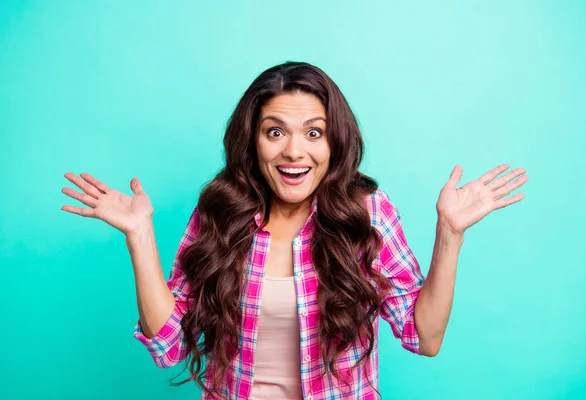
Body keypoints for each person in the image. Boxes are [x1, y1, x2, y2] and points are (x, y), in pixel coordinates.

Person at [61, 61, 528, 400]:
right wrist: (139, 235)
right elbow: (168, 344)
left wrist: (450, 233)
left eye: (313, 132)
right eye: (275, 132)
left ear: (334, 142)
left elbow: (424, 337)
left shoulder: (366, 213)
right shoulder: (221, 213)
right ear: (253, 140)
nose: (294, 152)